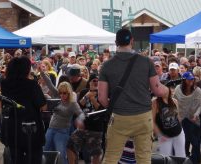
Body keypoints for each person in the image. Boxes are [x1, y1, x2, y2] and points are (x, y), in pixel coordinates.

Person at [98, 28, 168, 164]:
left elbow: (101, 98)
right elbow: (158, 90)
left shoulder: (107, 66)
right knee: (143, 158)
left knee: (111, 158)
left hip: (119, 118)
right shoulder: (146, 61)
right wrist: (167, 91)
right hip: (143, 117)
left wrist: (116, 107)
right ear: (132, 41)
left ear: (115, 42)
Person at [0, 56, 47, 164]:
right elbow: (43, 106)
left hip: (13, 129)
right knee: (34, 159)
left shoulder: (5, 84)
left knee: (16, 160)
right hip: (31, 130)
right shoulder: (32, 84)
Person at [67, 74, 105, 164]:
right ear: (89, 82)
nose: (96, 82)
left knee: (95, 154)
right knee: (70, 145)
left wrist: (92, 98)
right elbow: (79, 106)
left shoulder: (102, 94)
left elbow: (101, 110)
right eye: (93, 81)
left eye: (97, 81)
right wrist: (87, 96)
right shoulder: (84, 91)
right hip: (82, 128)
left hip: (96, 129)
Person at [43, 82, 84, 164]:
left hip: (62, 132)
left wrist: (79, 120)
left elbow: (81, 114)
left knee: (61, 156)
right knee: (45, 152)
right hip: (50, 129)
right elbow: (50, 85)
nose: (62, 95)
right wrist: (42, 72)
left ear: (69, 93)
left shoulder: (72, 103)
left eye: (64, 93)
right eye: (60, 93)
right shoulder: (57, 98)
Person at [174, 71, 201, 163]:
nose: (191, 81)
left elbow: (200, 105)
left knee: (195, 143)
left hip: (193, 120)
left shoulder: (197, 90)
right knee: (184, 141)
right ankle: (184, 158)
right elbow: (174, 102)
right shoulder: (178, 89)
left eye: (192, 79)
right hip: (181, 119)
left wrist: (196, 114)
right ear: (184, 80)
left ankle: (195, 160)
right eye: (189, 80)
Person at [152, 87, 185, 157]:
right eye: (162, 88)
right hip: (164, 136)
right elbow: (152, 121)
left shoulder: (174, 101)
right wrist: (159, 134)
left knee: (181, 156)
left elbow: (178, 117)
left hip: (179, 133)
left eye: (166, 89)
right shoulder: (155, 103)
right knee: (165, 157)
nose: (164, 91)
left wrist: (181, 129)